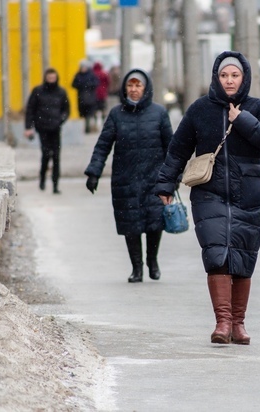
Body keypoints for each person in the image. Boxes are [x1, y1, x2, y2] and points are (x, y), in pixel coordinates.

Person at [154, 51, 260, 345]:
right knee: (216, 255)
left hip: (249, 194)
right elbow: (178, 148)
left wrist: (243, 119)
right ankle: (222, 322)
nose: (229, 80)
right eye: (224, 75)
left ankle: (239, 324)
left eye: (235, 75)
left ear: (244, 77)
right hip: (208, 192)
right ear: (216, 77)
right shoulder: (200, 109)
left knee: (243, 257)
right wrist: (165, 185)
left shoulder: (258, 108)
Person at [84, 69, 173, 283]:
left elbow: (172, 148)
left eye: (138, 85)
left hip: (154, 178)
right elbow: (103, 145)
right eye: (130, 86)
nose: (134, 90)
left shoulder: (159, 113)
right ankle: (137, 268)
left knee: (154, 222)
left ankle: (152, 260)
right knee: (130, 225)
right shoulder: (116, 114)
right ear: (125, 88)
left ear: (146, 88)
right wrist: (94, 172)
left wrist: (172, 178)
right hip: (126, 179)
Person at [24, 68, 70, 194]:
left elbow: (66, 109)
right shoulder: (38, 91)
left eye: (53, 78)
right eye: (49, 78)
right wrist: (29, 127)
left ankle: (55, 185)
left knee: (56, 156)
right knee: (45, 154)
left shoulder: (61, 92)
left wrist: (61, 119)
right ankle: (42, 178)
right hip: (42, 127)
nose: (51, 81)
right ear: (45, 78)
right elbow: (30, 110)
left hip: (56, 128)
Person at [72, 60, 99, 133]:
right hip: (81, 98)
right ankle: (87, 125)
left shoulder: (91, 75)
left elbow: (96, 83)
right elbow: (73, 84)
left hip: (90, 97)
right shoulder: (78, 75)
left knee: (90, 112)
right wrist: (81, 86)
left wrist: (88, 85)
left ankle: (89, 127)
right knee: (83, 113)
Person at [92, 62, 109, 127]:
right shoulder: (104, 73)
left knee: (95, 109)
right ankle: (103, 121)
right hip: (102, 94)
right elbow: (108, 82)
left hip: (95, 95)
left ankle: (96, 121)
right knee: (103, 108)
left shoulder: (93, 74)